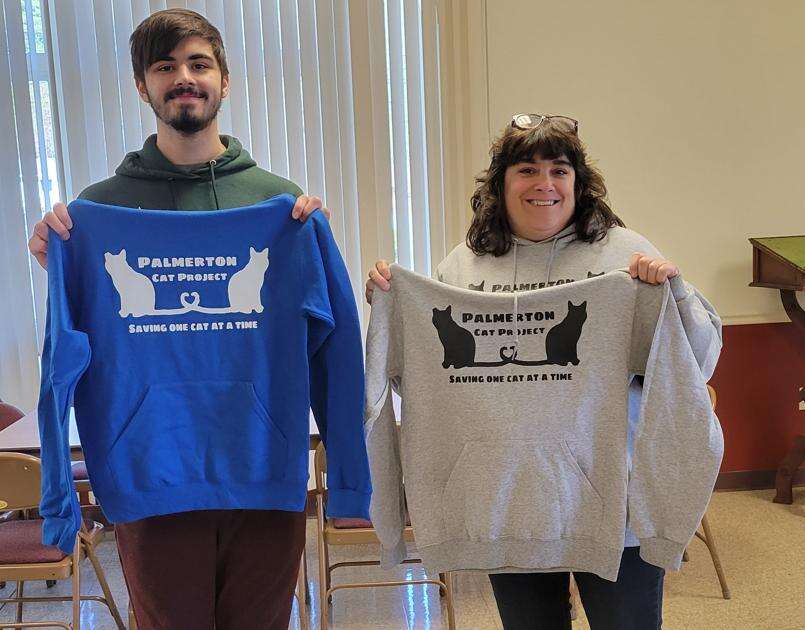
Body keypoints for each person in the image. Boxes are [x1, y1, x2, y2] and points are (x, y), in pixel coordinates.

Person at [27, 9, 336, 629]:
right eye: (165, 67)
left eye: (199, 63)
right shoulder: (95, 212)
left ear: (225, 80)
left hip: (262, 469)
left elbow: (329, 341)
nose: (184, 78)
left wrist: (349, 478)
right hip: (151, 476)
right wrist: (58, 261)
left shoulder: (282, 206)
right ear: (143, 87)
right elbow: (62, 360)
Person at [365, 113, 722, 630]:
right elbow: (423, 382)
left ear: (578, 182)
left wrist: (675, 295)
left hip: (611, 503)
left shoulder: (626, 254)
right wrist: (393, 309)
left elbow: (697, 365)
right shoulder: (463, 266)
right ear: (501, 183)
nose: (544, 184)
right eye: (527, 170)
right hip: (506, 504)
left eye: (559, 170)